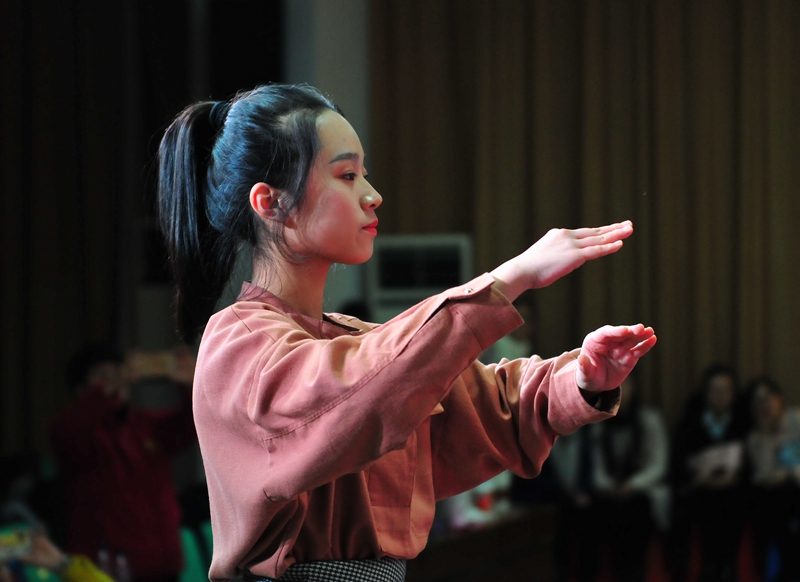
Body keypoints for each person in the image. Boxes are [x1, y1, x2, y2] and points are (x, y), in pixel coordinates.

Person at [156, 83, 657, 581]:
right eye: (347, 175)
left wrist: (580, 379)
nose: (372, 195)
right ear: (270, 202)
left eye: (364, 175)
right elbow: (358, 391)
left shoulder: (356, 344)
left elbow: (483, 404)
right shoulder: (238, 341)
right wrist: (510, 277)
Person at [50, 343, 197, 582]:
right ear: (80, 390)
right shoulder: (74, 431)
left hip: (161, 563)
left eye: (116, 372)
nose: (114, 380)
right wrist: (104, 393)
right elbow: (65, 431)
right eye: (102, 376)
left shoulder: (146, 425)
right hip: (105, 568)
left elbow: (195, 422)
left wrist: (191, 384)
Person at [669, 364, 749, 582]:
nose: (720, 395)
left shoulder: (743, 422)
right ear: (705, 393)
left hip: (735, 490)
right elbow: (679, 465)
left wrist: (734, 478)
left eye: (725, 390)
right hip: (699, 491)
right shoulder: (690, 423)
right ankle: (707, 567)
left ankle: (729, 566)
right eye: (714, 389)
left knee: (733, 503)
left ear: (734, 393)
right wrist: (699, 478)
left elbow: (750, 464)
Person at [588, 373, 669, 582]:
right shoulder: (599, 422)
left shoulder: (648, 420)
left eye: (624, 384)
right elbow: (595, 467)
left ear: (633, 386)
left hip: (642, 491)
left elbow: (658, 465)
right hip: (610, 493)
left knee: (637, 511)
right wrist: (608, 485)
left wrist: (632, 485)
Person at [745, 377, 800, 582]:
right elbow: (764, 475)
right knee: (770, 498)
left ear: (779, 399)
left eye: (768, 398)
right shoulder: (755, 438)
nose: (765, 405)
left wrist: (789, 473)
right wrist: (766, 436)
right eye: (758, 401)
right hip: (780, 497)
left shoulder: (796, 420)